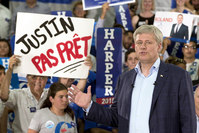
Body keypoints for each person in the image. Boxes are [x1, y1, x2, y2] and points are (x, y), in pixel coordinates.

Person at [68, 25, 196, 133]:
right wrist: (89, 105)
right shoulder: (125, 78)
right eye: (139, 43)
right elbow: (116, 118)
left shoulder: (178, 76)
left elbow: (188, 119)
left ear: (159, 46)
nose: (143, 46)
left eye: (148, 42)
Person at [0, 54, 92, 133]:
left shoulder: (51, 93)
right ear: (27, 78)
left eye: (42, 77)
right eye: (34, 77)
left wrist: (85, 71)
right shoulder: (18, 94)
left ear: (47, 79)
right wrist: (9, 70)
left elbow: (75, 92)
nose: (38, 81)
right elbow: (3, 96)